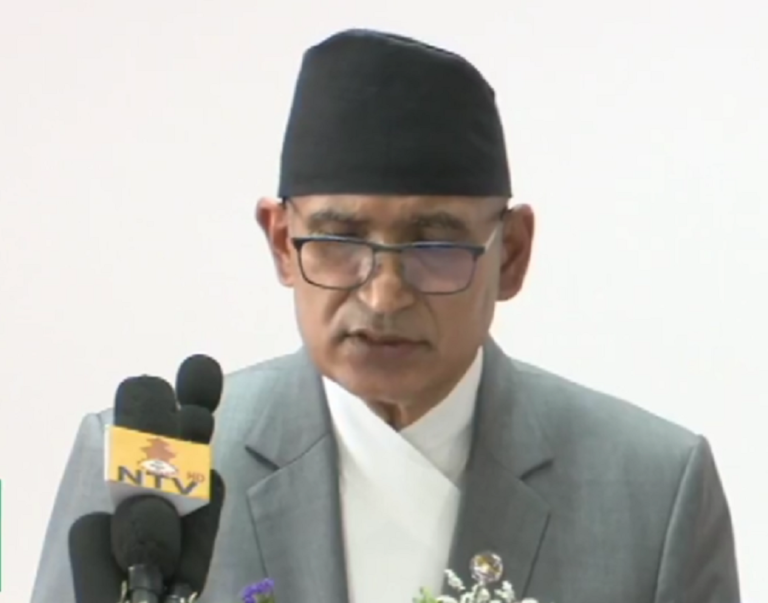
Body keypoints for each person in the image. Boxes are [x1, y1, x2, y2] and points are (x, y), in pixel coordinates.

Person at [31, 28, 739, 603]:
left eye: (434, 247)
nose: (384, 295)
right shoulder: (151, 475)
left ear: (512, 254)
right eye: (339, 243)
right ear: (281, 241)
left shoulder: (653, 493)